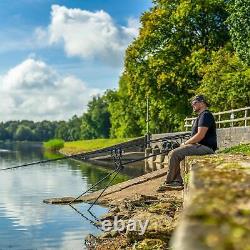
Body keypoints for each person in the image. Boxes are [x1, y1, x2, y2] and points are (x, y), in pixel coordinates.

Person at [157, 95, 217, 192]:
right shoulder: (202, 116)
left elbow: (200, 135)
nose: (192, 105)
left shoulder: (205, 115)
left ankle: (171, 181)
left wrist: (185, 143)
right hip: (200, 146)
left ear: (202, 103)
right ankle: (176, 181)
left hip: (206, 148)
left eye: (194, 103)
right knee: (174, 152)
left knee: (174, 153)